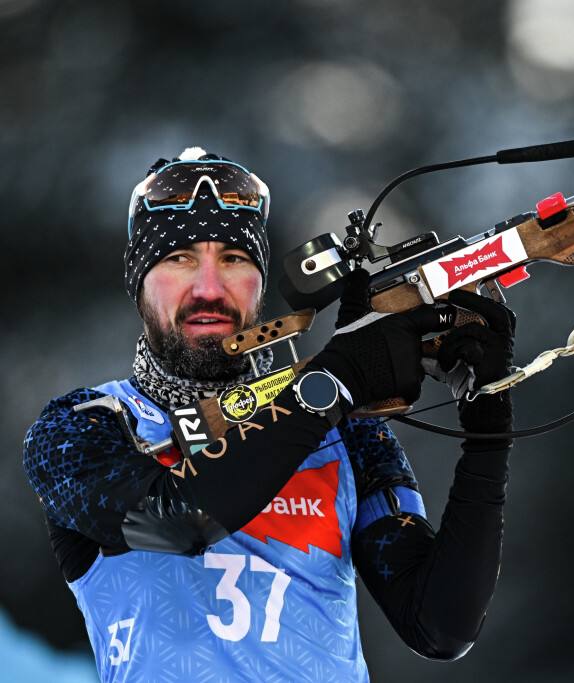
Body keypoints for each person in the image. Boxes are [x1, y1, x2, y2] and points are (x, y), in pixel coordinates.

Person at [22, 147, 515, 682]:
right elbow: (174, 522)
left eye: (234, 259)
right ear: (138, 282)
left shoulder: (345, 433)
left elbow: (440, 626)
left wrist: (488, 428)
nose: (209, 288)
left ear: (260, 282)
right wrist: (334, 383)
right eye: (179, 259)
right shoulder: (87, 424)